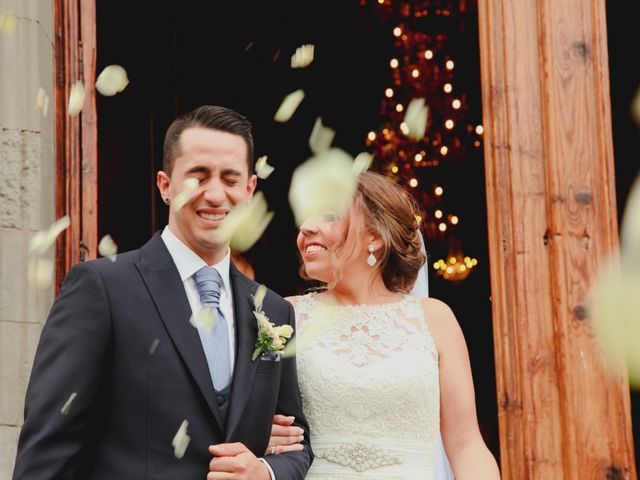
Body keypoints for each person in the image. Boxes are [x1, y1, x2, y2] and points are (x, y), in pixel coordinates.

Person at [12, 105, 312, 480]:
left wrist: (265, 470)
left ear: (249, 189)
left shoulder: (273, 310)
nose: (216, 194)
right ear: (165, 186)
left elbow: (298, 445)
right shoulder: (102, 288)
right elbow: (49, 447)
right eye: (197, 176)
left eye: (230, 179)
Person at [264, 171, 500, 479]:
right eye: (304, 217)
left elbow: (467, 444)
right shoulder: (283, 316)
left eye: (329, 216)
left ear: (374, 237)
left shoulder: (434, 319)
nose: (306, 227)